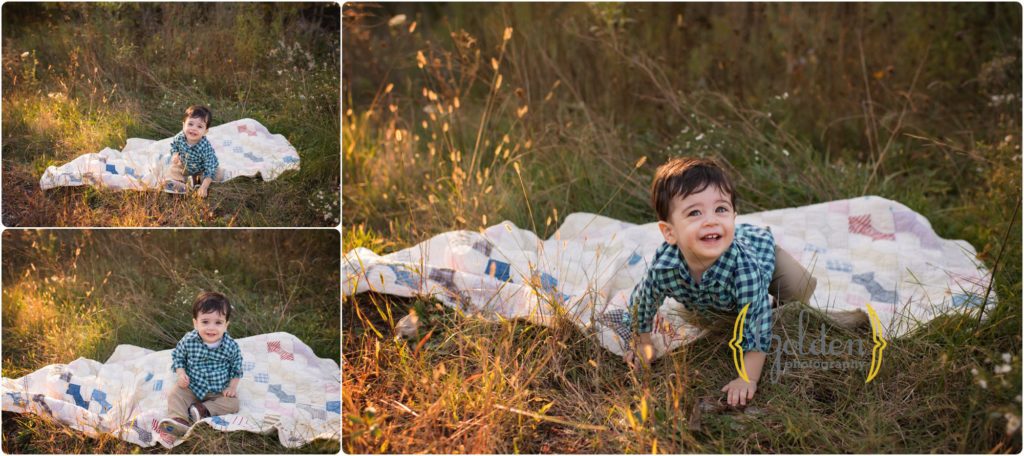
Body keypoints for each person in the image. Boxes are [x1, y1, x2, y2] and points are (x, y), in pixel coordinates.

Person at [622, 157, 818, 407]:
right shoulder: (665, 268)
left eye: (721, 209)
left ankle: (782, 300)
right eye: (695, 212)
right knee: (710, 309)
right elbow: (643, 301)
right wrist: (642, 342)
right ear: (670, 232)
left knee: (799, 290)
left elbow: (756, 327)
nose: (711, 220)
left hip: (763, 253)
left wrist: (747, 379)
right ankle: (708, 301)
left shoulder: (744, 269)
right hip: (710, 284)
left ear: (733, 216)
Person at [157, 291, 242, 437]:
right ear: (195, 323)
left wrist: (232, 387)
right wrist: (181, 373)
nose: (211, 328)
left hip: (218, 391)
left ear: (226, 325)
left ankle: (202, 410)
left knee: (234, 404)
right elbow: (178, 357)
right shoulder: (189, 340)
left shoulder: (231, 346)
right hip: (191, 386)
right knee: (175, 394)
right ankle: (179, 421)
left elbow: (237, 368)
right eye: (205, 322)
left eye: (218, 322)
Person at [169, 105, 219, 198]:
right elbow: (174, 145)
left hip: (201, 169)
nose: (194, 128)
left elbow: (210, 167)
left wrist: (204, 187)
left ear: (205, 131)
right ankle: (181, 184)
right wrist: (175, 154)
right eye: (190, 124)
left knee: (216, 173)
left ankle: (199, 184)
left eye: (199, 126)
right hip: (185, 165)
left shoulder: (205, 147)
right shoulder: (180, 137)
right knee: (172, 168)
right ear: (184, 125)